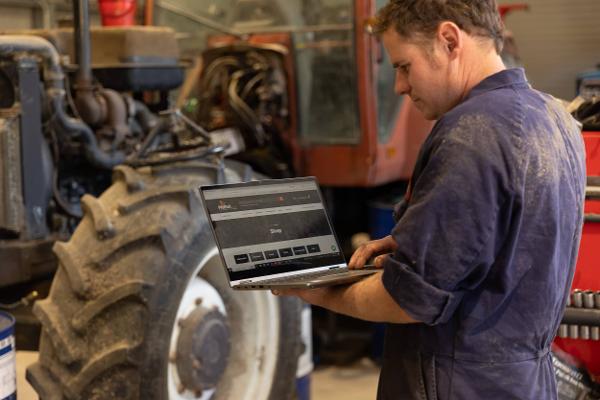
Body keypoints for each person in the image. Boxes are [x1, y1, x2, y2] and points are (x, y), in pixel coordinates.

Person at [273, 0, 587, 399]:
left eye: (404, 66)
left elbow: (409, 302)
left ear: (449, 40)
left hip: (456, 385)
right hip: (526, 382)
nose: (401, 86)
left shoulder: (470, 133)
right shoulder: (555, 117)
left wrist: (313, 289)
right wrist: (414, 242)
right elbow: (504, 243)